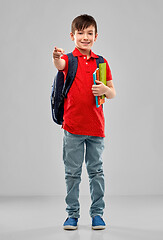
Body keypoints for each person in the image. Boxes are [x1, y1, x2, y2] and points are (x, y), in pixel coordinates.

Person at [53, 14, 116, 230]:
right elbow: (58, 64)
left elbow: (113, 93)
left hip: (96, 129)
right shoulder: (69, 60)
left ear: (96, 36)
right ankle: (72, 215)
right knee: (72, 174)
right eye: (80, 33)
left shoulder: (102, 62)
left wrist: (105, 90)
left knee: (96, 172)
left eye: (89, 33)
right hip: (72, 128)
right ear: (73, 36)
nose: (85, 37)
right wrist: (55, 57)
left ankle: (97, 214)